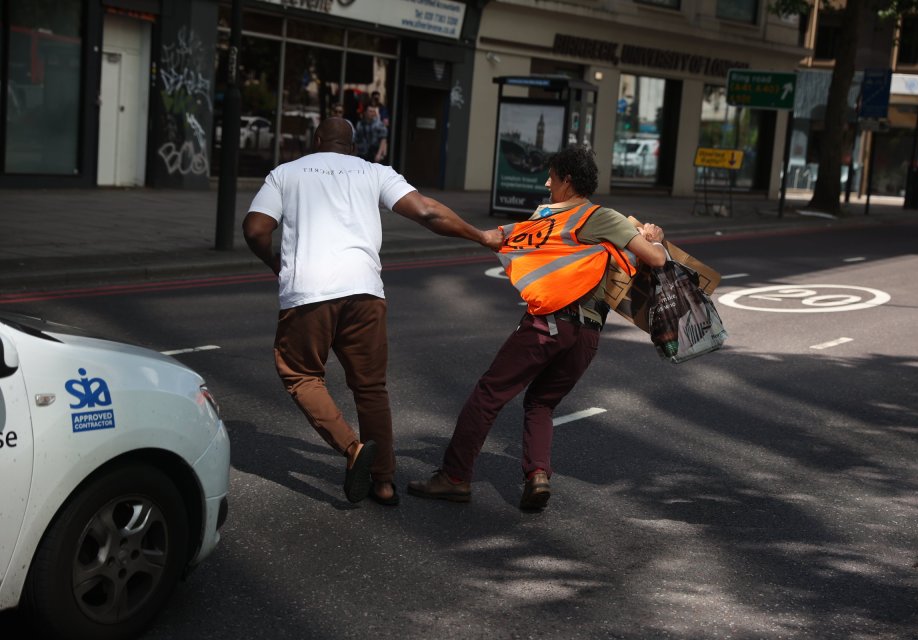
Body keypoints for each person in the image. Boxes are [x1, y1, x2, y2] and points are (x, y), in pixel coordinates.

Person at [243, 118, 502, 506]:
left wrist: (277, 264)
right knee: (370, 388)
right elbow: (428, 211)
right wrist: (481, 235)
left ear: (316, 141)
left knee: (301, 375)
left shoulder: (286, 173)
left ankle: (352, 449)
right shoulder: (375, 172)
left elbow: (255, 229)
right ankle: (384, 482)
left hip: (309, 292)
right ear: (352, 146)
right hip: (365, 291)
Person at [408, 144, 667, 511]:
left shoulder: (570, 218)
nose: (547, 182)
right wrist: (651, 236)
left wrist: (651, 243)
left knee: (489, 394)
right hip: (587, 336)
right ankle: (537, 476)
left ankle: (453, 477)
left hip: (548, 325)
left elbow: (653, 257)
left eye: (552, 176)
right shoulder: (598, 218)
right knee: (541, 402)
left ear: (567, 180)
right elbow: (650, 256)